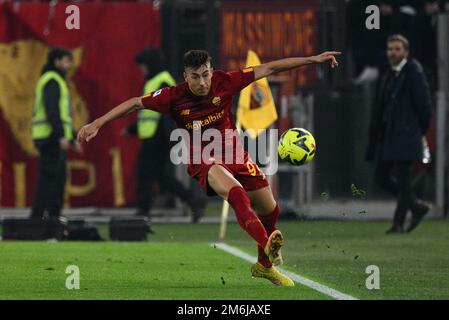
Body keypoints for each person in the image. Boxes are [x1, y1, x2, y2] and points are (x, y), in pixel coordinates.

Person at [78, 49, 340, 286]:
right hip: (203, 160)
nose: (202, 82)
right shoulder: (173, 96)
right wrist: (96, 124)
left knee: (270, 209)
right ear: (185, 76)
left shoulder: (225, 82)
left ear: (211, 70)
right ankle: (266, 243)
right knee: (236, 193)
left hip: (235, 155)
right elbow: (135, 103)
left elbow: (270, 68)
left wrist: (311, 60)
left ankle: (264, 266)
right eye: (195, 77)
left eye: (205, 74)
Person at [123, 47, 205, 224]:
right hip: (154, 135)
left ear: (151, 65)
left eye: (143, 66)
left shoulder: (162, 82)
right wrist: (133, 130)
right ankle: (191, 199)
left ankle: (144, 210)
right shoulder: (155, 81)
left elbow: (164, 112)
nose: (142, 70)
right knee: (160, 176)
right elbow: (149, 115)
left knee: (145, 173)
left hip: (158, 137)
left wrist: (162, 135)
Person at [366, 35, 432, 234]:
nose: (392, 53)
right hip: (390, 136)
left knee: (402, 179)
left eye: (397, 49)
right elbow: (381, 108)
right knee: (381, 177)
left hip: (406, 135)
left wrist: (417, 131)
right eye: (390, 49)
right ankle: (416, 206)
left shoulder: (414, 72)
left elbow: (425, 106)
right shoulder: (390, 73)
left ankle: (398, 224)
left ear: (406, 52)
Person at [30, 47, 81, 220]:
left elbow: (63, 117)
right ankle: (39, 220)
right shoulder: (52, 80)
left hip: (52, 137)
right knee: (49, 181)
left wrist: (73, 138)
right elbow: (53, 113)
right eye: (67, 61)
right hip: (50, 138)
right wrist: (61, 136)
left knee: (57, 180)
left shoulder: (55, 80)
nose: (69, 65)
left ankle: (51, 219)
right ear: (56, 61)